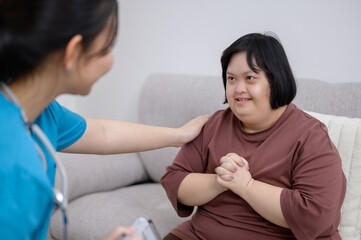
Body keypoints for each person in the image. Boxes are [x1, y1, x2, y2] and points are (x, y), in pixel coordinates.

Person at [0, 1, 209, 240]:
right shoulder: (15, 169)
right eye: (106, 48)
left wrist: (179, 135)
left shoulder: (42, 112)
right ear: (73, 53)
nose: (110, 62)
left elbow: (103, 133)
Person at [161, 33, 346, 240]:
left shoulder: (311, 137)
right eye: (231, 79)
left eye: (250, 78)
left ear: (276, 80)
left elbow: (317, 216)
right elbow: (175, 182)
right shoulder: (215, 124)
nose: (239, 89)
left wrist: (247, 187)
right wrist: (219, 181)